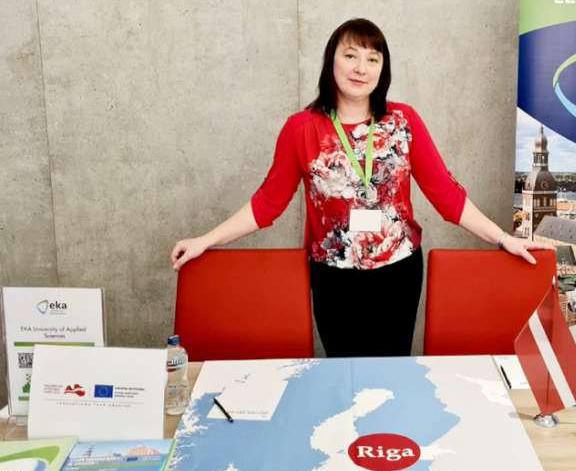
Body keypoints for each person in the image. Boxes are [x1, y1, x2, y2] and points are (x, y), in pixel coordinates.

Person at [171, 18, 552, 357]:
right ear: (331, 61)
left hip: (398, 273)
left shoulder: (403, 122)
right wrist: (207, 239)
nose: (361, 68)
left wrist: (503, 238)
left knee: (390, 374)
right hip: (332, 276)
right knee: (344, 375)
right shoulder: (301, 129)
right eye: (351, 55)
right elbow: (267, 203)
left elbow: (447, 197)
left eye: (373, 59)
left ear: (383, 69)